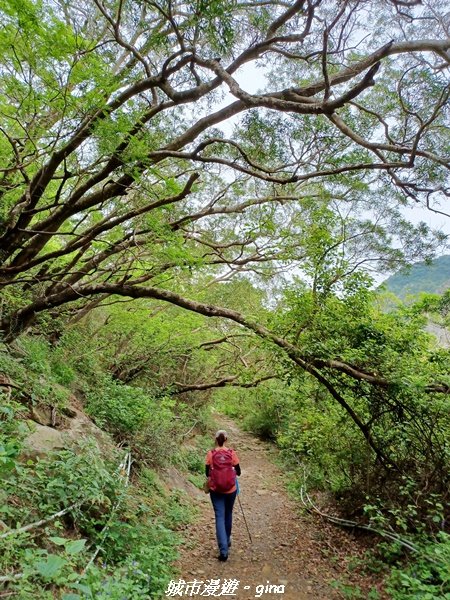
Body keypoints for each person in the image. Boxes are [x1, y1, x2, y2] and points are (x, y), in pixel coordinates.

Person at [205, 429, 241, 562]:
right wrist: (230, 473)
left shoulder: (211, 454)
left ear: (216, 439)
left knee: (219, 516)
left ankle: (223, 550)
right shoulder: (232, 453)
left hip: (216, 490)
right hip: (231, 490)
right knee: (228, 514)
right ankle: (228, 538)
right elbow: (239, 471)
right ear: (226, 439)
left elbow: (207, 473)